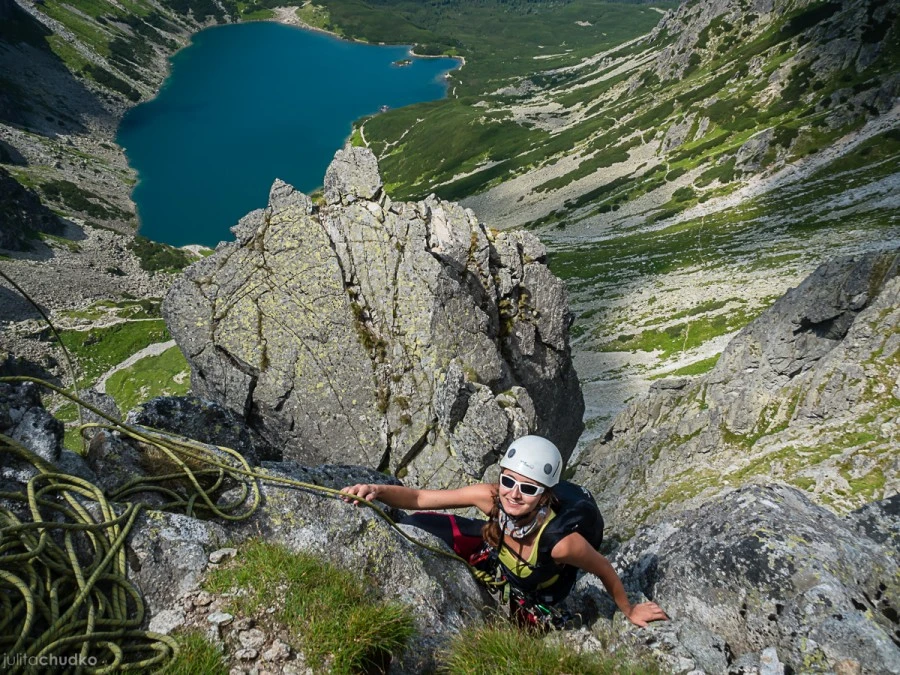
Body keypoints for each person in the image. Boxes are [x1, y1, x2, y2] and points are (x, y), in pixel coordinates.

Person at [341, 435, 668, 628]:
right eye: (508, 481)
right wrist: (375, 490)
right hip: (494, 548)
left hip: (533, 589)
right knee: (412, 525)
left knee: (521, 632)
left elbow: (604, 570)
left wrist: (629, 609)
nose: (513, 493)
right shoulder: (490, 497)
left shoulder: (562, 544)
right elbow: (421, 498)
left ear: (545, 495)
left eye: (527, 488)